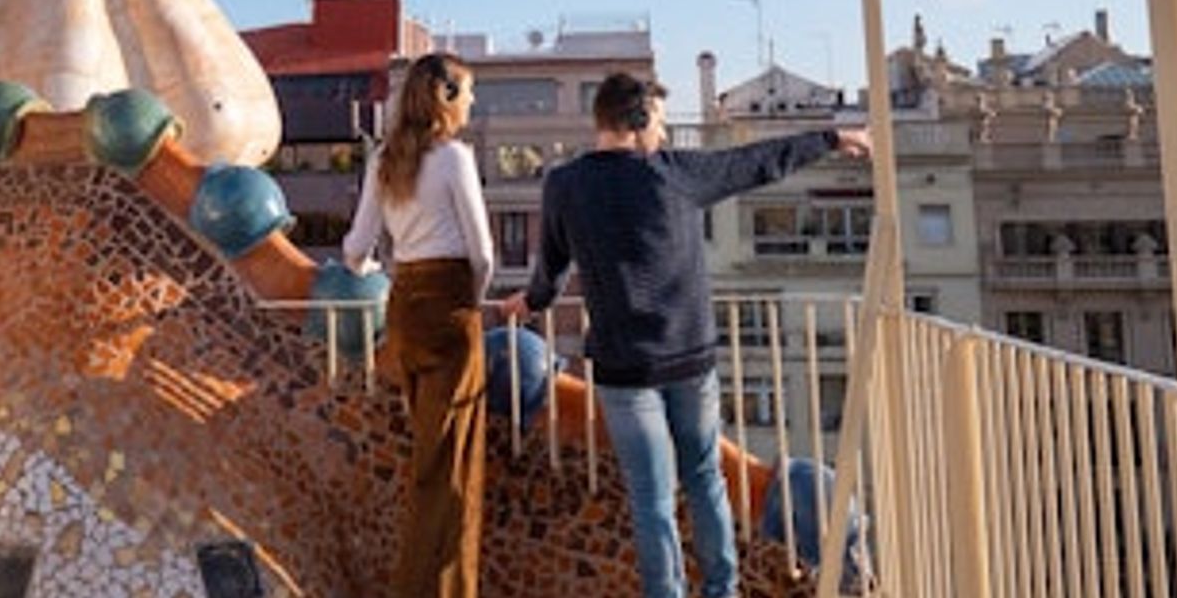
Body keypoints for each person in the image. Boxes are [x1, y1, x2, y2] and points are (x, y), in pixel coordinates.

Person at [500, 73, 870, 598]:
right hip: (689, 364)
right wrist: (833, 138)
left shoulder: (565, 184)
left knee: (651, 498)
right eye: (661, 123)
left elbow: (551, 270)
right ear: (639, 120)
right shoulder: (673, 175)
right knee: (704, 480)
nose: (665, 135)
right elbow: (758, 163)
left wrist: (530, 303)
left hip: (622, 372)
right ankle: (722, 590)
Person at [344, 51, 496, 598]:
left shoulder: (384, 159)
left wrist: (382, 272)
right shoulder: (454, 158)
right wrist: (469, 306)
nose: (473, 102)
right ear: (447, 96)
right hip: (450, 312)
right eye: (469, 92)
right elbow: (483, 254)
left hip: (403, 309)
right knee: (452, 468)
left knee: (426, 462)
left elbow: (355, 251)